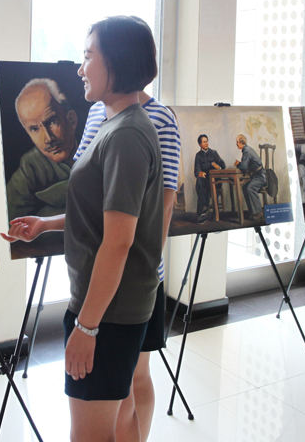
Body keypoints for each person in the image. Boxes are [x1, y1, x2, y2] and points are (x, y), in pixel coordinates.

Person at [2, 16, 163, 442]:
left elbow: (119, 241)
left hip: (109, 314)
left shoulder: (127, 135)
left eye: (88, 55)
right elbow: (104, 217)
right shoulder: (116, 125)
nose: (80, 68)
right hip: (112, 308)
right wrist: (45, 225)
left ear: (117, 62)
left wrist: (87, 327)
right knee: (119, 419)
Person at [73, 92, 179, 441]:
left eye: (89, 55)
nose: (81, 68)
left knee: (134, 377)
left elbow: (162, 203)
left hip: (136, 278)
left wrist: (143, 270)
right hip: (103, 268)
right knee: (120, 385)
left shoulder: (157, 119)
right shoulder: (95, 113)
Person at [6, 77, 79, 219]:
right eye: (34, 129)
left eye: (52, 121)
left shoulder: (99, 147)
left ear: (71, 119)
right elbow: (13, 222)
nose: (48, 139)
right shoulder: (30, 166)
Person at [234, 134, 267, 221]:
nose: (236, 144)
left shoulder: (246, 151)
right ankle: (253, 212)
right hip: (257, 176)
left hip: (261, 177)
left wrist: (238, 164)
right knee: (245, 187)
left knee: (250, 188)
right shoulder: (246, 150)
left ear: (241, 142)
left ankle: (258, 213)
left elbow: (244, 167)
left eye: (237, 142)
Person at [193, 134, 226, 219]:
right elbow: (196, 171)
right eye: (204, 142)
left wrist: (217, 166)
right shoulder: (198, 155)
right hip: (204, 181)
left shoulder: (214, 153)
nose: (206, 143)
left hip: (215, 181)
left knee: (202, 186)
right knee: (200, 182)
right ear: (200, 144)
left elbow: (223, 165)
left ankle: (203, 209)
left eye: (207, 141)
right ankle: (202, 211)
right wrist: (200, 173)